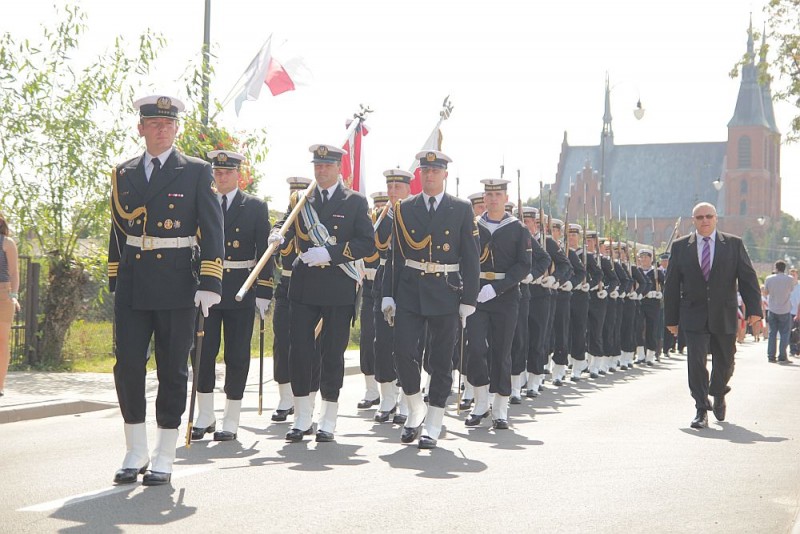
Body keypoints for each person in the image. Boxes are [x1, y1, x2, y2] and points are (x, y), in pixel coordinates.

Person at [108, 95, 224, 485]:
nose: (161, 129)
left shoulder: (194, 171)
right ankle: (135, 449)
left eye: (168, 124)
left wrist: (210, 281)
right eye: (153, 123)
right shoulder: (123, 173)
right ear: (140, 128)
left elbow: (213, 229)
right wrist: (115, 278)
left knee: (172, 369)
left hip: (178, 283)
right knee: (127, 367)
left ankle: (164, 452)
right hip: (133, 283)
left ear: (177, 129)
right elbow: (117, 233)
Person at [271, 144, 375, 443]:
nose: (321, 170)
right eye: (317, 165)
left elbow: (366, 243)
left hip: (339, 287)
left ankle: (328, 418)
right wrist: (276, 233)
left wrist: (330, 254)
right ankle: (303, 417)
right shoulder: (303, 199)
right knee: (300, 351)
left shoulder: (354, 201)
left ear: (338, 168)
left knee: (332, 353)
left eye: (327, 166)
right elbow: (286, 224)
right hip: (304, 287)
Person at [381, 150, 480, 449]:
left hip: (446, 290)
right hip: (410, 289)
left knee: (440, 361)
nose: (430, 175)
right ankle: (414, 408)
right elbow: (395, 256)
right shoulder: (405, 208)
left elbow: (471, 258)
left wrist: (469, 299)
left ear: (445, 174)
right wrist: (388, 293)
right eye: (425, 171)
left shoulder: (461, 209)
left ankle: (434, 422)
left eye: (435, 171)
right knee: (401, 351)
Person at [190, 150, 274, 442]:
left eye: (227, 172)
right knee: (202, 353)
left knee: (237, 355)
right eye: (217, 171)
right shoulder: (202, 201)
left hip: (240, 289)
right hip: (207, 287)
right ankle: (205, 414)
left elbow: (264, 252)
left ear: (238, 174)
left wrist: (264, 290)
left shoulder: (254, 206)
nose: (221, 176)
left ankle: (231, 418)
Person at [664, 202, 761, 429]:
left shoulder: (733, 244)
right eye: (699, 217)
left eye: (709, 216)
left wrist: (754, 312)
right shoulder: (680, 247)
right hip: (693, 315)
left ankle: (718, 392)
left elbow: (748, 278)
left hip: (724, 313)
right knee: (696, 361)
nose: (704, 220)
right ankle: (700, 408)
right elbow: (671, 285)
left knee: (725, 362)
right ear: (693, 220)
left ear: (716, 218)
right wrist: (671, 320)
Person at [464, 179, 531, 430]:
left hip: (505, 296)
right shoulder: (472, 227)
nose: (492, 199)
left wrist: (498, 287)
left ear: (505, 197)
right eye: (489, 194)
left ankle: (500, 408)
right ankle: (481, 403)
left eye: (497, 194)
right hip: (478, 295)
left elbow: (524, 265)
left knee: (502, 351)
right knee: (476, 349)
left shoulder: (517, 229)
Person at [372, 169, 413, 423]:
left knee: (408, 344)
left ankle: (407, 399)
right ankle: (387, 396)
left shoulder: (415, 213)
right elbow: (378, 245)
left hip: (409, 279)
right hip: (385, 277)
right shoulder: (381, 215)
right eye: (390, 188)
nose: (393, 192)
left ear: (409, 189)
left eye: (398, 187)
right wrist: (386, 216)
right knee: (382, 342)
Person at [271, 177, 312, 423]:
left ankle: (306, 398)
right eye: (292, 191)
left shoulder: (311, 224)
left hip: (308, 286)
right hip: (286, 284)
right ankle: (285, 397)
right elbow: (278, 228)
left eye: (299, 192)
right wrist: (275, 233)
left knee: (307, 345)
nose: (294, 195)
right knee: (282, 342)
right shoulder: (286, 221)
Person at [0, 213, 21, 397]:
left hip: (3, 295)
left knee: (2, 340)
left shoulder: (7, 243)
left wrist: (13, 295)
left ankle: (0, 385)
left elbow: (14, 273)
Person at [764, 260, 796, 363]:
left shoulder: (769, 278)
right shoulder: (789, 279)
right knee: (784, 334)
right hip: (785, 309)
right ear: (784, 268)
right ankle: (782, 356)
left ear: (776, 268)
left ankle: (771, 356)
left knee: (772, 333)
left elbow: (766, 292)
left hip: (772, 308)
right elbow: (791, 290)